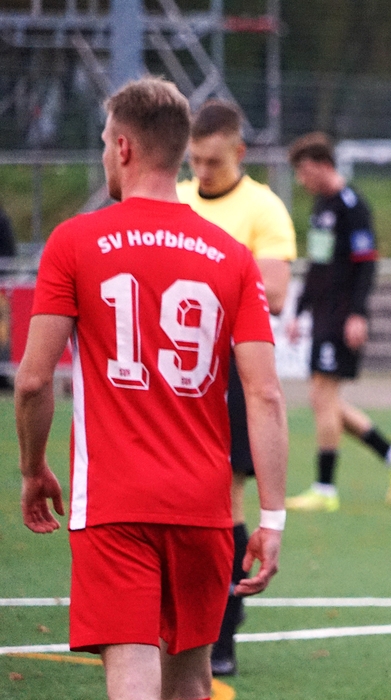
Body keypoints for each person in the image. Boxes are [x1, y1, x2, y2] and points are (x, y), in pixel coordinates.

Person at [15, 76, 288, 700]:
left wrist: (33, 469)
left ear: (124, 148)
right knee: (190, 681)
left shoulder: (75, 241)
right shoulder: (231, 255)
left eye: (104, 142)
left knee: (132, 671)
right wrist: (271, 517)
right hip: (204, 505)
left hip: (114, 502)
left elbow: (32, 380)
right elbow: (266, 394)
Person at [177, 99, 297, 677]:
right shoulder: (173, 198)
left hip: (227, 370)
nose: (202, 172)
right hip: (171, 372)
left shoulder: (263, 208)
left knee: (223, 500)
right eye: (194, 161)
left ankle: (222, 631)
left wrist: (196, 275)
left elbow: (274, 292)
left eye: (213, 161)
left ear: (239, 152)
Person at [285, 132, 391, 512]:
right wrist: (299, 311)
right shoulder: (321, 207)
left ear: (322, 165)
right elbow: (318, 264)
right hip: (323, 315)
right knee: (325, 399)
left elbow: (366, 264)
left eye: (304, 171)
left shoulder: (352, 205)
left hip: (342, 316)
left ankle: (325, 489)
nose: (301, 180)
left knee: (322, 396)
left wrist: (358, 313)